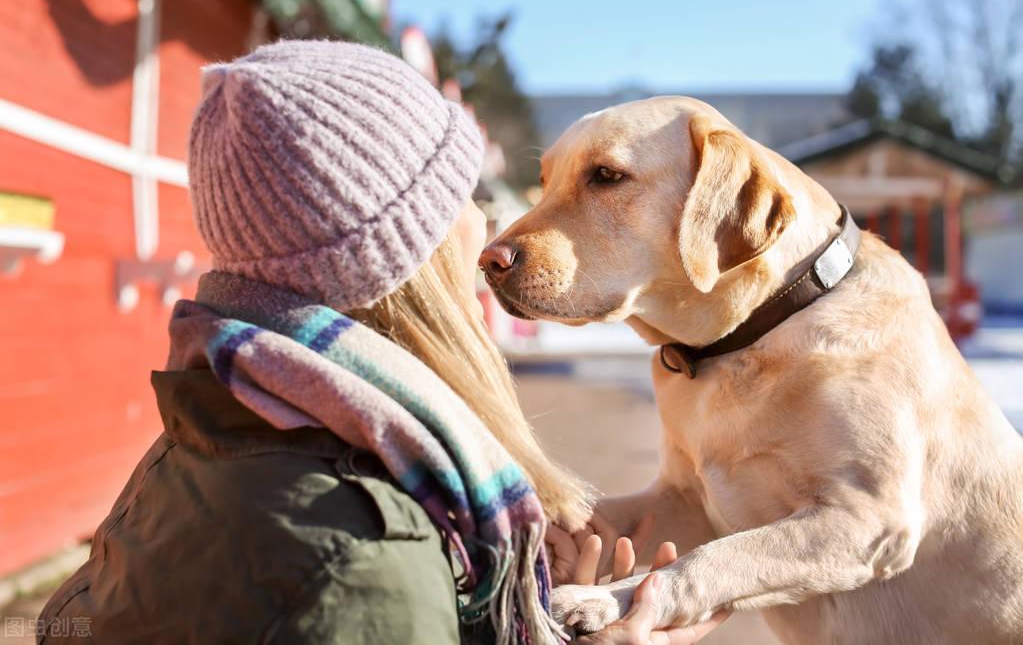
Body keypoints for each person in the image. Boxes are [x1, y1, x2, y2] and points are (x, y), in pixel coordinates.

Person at [36, 41, 723, 645]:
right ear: (406, 256)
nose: (483, 234)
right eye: (463, 198)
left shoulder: (203, 442)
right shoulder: (366, 560)